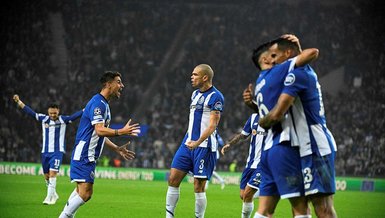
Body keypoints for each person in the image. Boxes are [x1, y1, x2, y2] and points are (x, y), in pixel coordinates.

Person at [258, 36, 338, 218]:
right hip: (300, 147)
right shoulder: (292, 73)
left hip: (315, 146)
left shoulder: (297, 74)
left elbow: (278, 113)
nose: (272, 60)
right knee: (300, 207)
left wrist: (262, 121)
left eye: (275, 55)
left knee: (323, 208)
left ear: (287, 54)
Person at [243, 35, 320, 218]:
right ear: (265, 59)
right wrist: (296, 48)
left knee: (264, 210)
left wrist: (253, 107)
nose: (276, 57)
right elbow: (312, 53)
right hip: (283, 145)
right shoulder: (277, 73)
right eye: (273, 55)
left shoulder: (261, 82)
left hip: (267, 152)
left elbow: (267, 112)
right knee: (300, 208)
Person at [59, 71, 141, 218]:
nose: (122, 86)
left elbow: (98, 133)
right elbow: (100, 130)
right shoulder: (98, 103)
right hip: (85, 154)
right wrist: (121, 132)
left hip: (86, 154)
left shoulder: (104, 104)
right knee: (86, 193)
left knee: (80, 192)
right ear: (108, 84)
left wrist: (116, 148)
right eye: (119, 82)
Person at [165, 64, 225, 218]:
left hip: (203, 146)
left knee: (198, 186)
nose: (192, 77)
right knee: (173, 179)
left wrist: (197, 142)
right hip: (188, 144)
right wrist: (190, 140)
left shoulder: (216, 97)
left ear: (205, 77)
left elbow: (212, 125)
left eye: (195, 74)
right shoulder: (194, 95)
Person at [13, 94, 83, 205]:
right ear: (48, 112)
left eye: (54, 113)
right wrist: (18, 101)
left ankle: (49, 198)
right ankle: (54, 194)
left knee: (52, 174)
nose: (52, 115)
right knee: (46, 176)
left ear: (58, 111)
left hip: (57, 152)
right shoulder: (44, 119)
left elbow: (75, 116)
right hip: (45, 152)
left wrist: (87, 108)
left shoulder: (63, 120)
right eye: (51, 113)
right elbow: (30, 112)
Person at [221, 113, 265, 218]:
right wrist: (230, 144)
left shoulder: (273, 116)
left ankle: (270, 193)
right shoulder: (253, 117)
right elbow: (243, 135)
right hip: (250, 163)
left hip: (264, 163)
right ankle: (269, 190)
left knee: (248, 194)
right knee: (243, 196)